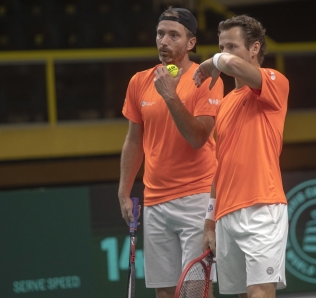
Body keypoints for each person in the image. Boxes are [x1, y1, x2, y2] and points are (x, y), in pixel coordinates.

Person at [118, 7, 224, 298]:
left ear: (190, 43)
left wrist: (170, 94)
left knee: (194, 290)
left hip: (197, 198)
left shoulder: (208, 79)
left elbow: (198, 137)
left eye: (173, 35)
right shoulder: (139, 81)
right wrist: (124, 191)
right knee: (164, 292)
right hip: (154, 202)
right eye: (160, 33)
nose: (163, 41)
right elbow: (133, 141)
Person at [193, 15, 290, 298]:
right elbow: (219, 167)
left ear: (255, 48)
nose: (225, 52)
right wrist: (210, 222)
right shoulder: (223, 106)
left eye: (232, 46)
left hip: (262, 206)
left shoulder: (274, 82)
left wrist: (212, 61)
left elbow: (231, 65)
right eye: (221, 46)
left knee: (259, 290)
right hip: (225, 215)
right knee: (239, 294)